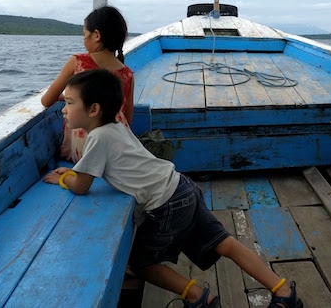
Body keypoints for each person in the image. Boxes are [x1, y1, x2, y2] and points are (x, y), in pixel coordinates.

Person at [44, 69, 304, 308]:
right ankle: (283, 292)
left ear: (93, 109)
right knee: (225, 243)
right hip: (182, 186)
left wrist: (65, 179)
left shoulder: (97, 137)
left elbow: (82, 186)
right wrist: (76, 172)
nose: (64, 110)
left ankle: (199, 298)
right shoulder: (115, 128)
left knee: (142, 264)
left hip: (166, 204)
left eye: (69, 103)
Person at [41, 5, 134, 162]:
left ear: (96, 35)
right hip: (116, 152)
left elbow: (47, 100)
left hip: (84, 152)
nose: (84, 40)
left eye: (85, 35)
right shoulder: (127, 74)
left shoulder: (77, 62)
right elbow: (128, 119)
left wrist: (66, 98)